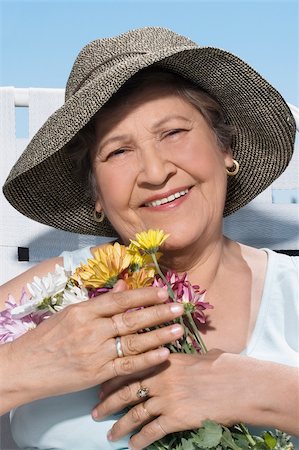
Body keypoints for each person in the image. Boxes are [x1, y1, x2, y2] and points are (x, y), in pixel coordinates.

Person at [0, 26, 298, 450]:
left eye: (174, 132)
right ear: (97, 194)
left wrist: (262, 391)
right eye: (118, 151)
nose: (156, 172)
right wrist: (24, 365)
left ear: (225, 149)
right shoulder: (45, 299)